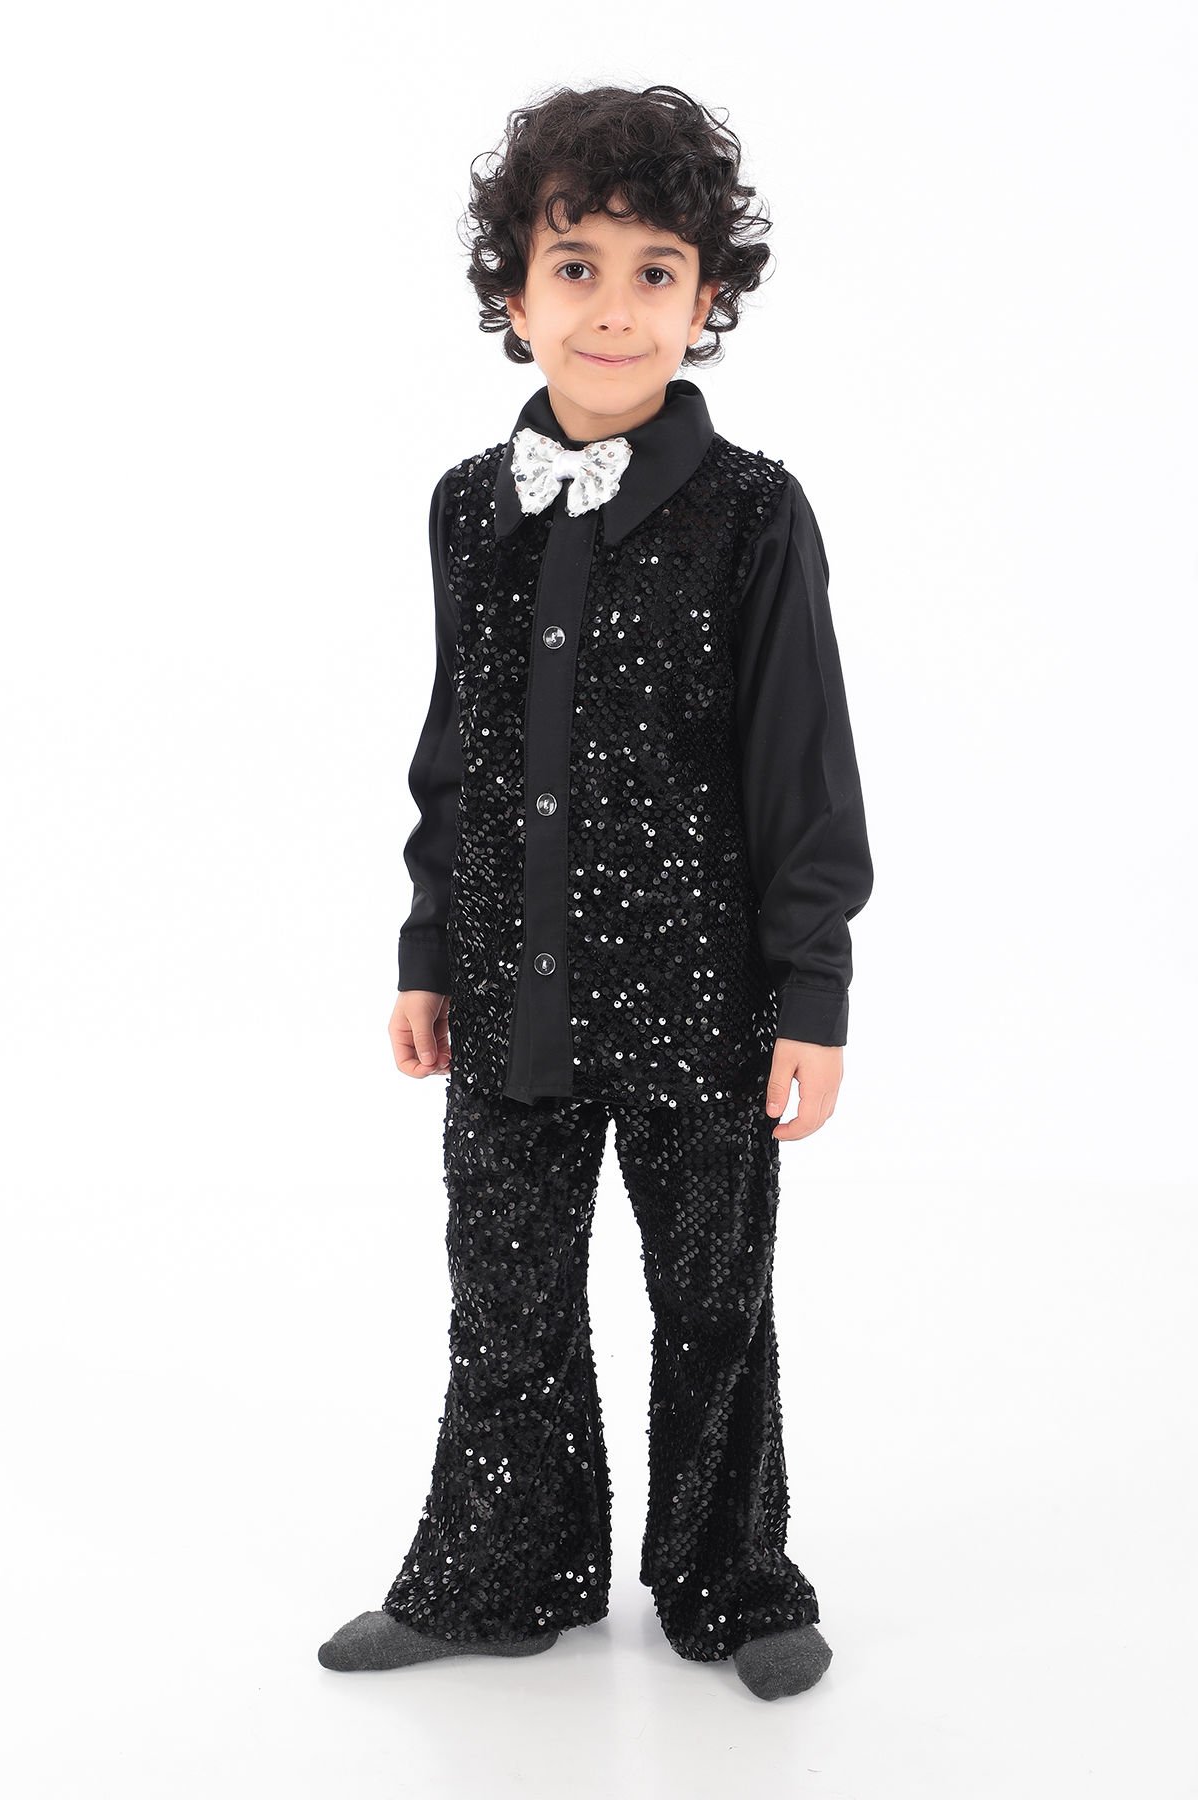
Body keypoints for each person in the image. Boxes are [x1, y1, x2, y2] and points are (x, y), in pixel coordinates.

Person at [318, 82, 874, 1703]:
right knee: (504, 1293)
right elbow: (456, 747)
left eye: (654, 271)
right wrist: (427, 948)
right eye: (575, 266)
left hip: (703, 996)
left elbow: (802, 765)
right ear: (514, 293)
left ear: (707, 303)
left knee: (713, 1301)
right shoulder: (466, 508)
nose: (613, 307)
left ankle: (731, 1582)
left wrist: (814, 991)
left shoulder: (754, 514)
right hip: (508, 983)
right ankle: (504, 1568)